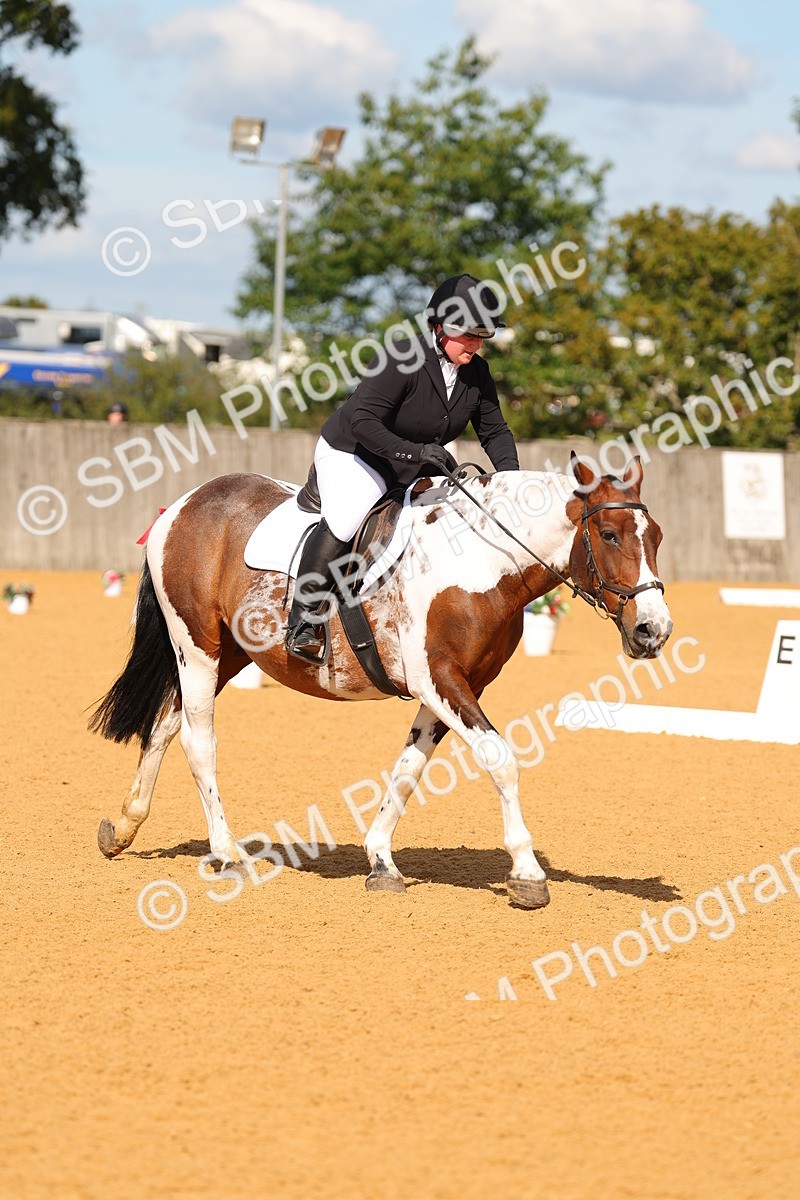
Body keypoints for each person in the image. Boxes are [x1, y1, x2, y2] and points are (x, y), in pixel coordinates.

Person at [285, 272, 520, 661]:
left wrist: (510, 481)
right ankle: (303, 620)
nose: (476, 344)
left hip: (411, 463)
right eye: (468, 334)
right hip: (356, 454)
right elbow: (363, 422)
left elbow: (494, 432)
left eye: (483, 336)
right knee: (346, 517)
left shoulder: (477, 373)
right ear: (439, 327)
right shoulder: (401, 358)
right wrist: (417, 453)